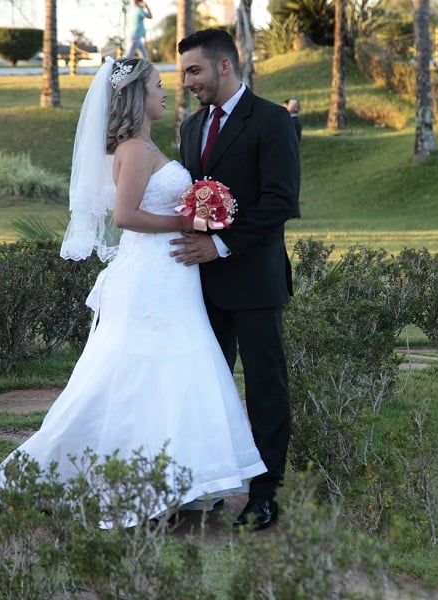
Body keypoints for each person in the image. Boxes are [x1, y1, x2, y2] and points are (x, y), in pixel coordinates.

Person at [0, 57, 267, 527]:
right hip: (152, 279)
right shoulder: (136, 150)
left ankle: (169, 483)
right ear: (139, 96)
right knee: (137, 376)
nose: (168, 92)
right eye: (160, 86)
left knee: (170, 377)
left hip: (170, 276)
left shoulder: (143, 144)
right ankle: (74, 476)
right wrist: (187, 221)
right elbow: (125, 217)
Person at [171, 29, 301, 530]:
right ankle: (205, 488)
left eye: (194, 71)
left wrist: (222, 243)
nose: (186, 82)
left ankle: (265, 495)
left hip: (255, 280)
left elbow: (280, 200)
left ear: (225, 66)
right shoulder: (189, 128)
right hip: (198, 286)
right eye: (183, 73)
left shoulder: (272, 120)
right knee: (206, 386)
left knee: (265, 386)